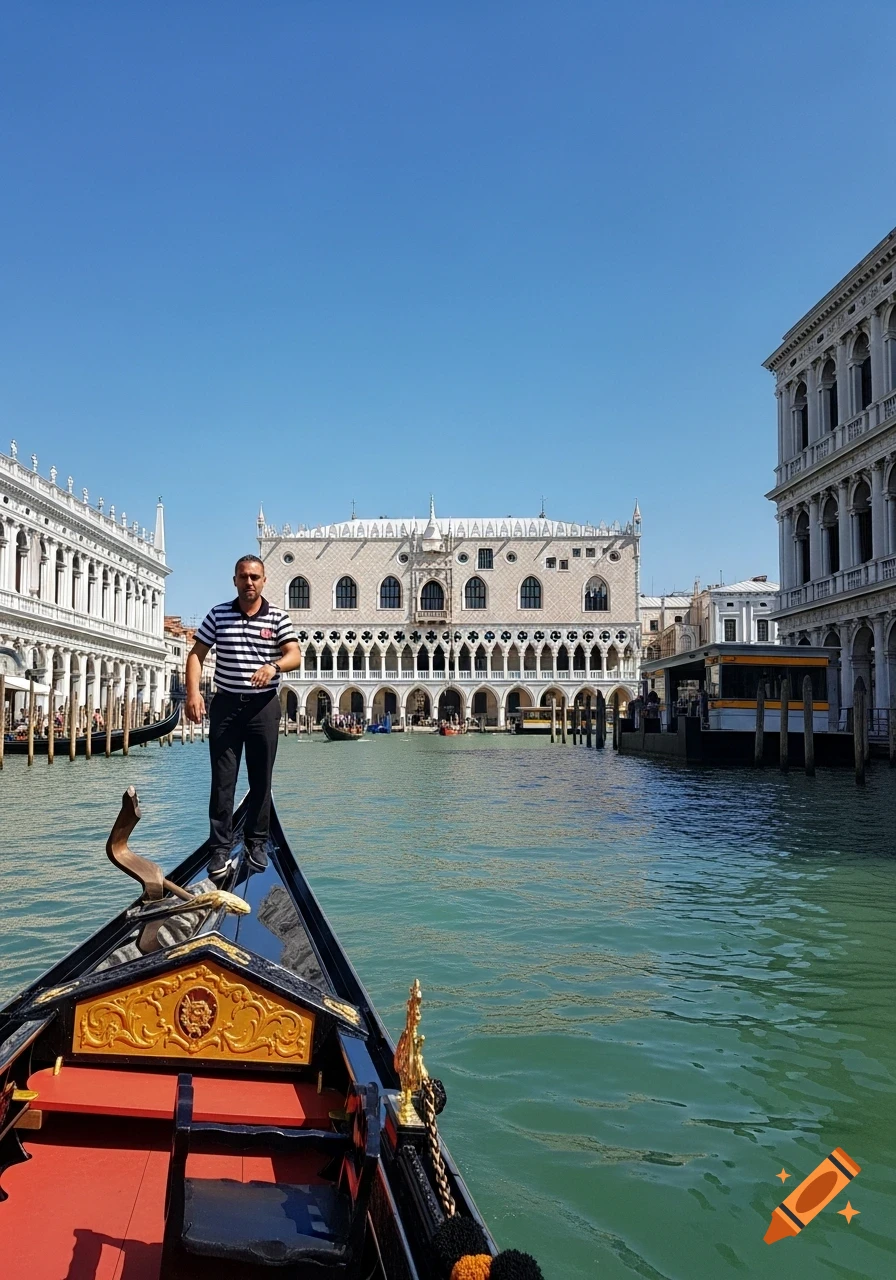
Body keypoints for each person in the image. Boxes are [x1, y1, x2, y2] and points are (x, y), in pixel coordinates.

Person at [185, 555, 301, 880]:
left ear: (264, 581)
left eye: (255, 577)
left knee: (261, 779)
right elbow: (196, 655)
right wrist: (194, 694)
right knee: (223, 781)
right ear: (234, 580)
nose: (249, 582)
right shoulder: (218, 614)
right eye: (243, 577)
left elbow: (294, 654)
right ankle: (219, 849)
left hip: (263, 707)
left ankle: (257, 842)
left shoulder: (278, 617)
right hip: (226, 707)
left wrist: (273, 666)